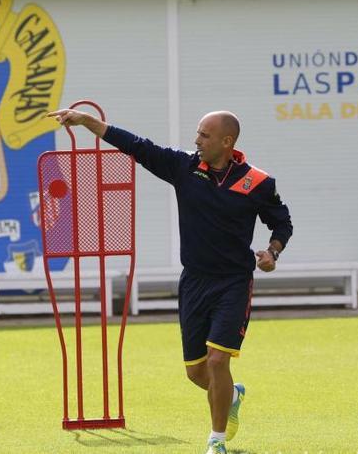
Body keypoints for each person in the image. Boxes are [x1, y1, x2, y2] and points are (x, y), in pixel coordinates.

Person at [48, 108, 293, 454]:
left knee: (218, 360)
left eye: (204, 135)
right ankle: (231, 394)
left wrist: (272, 252)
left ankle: (216, 441)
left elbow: (282, 223)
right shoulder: (185, 167)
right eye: (197, 133)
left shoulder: (258, 182)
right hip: (194, 281)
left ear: (227, 141)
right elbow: (138, 146)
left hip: (234, 283)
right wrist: (89, 123)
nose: (196, 141)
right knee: (197, 373)